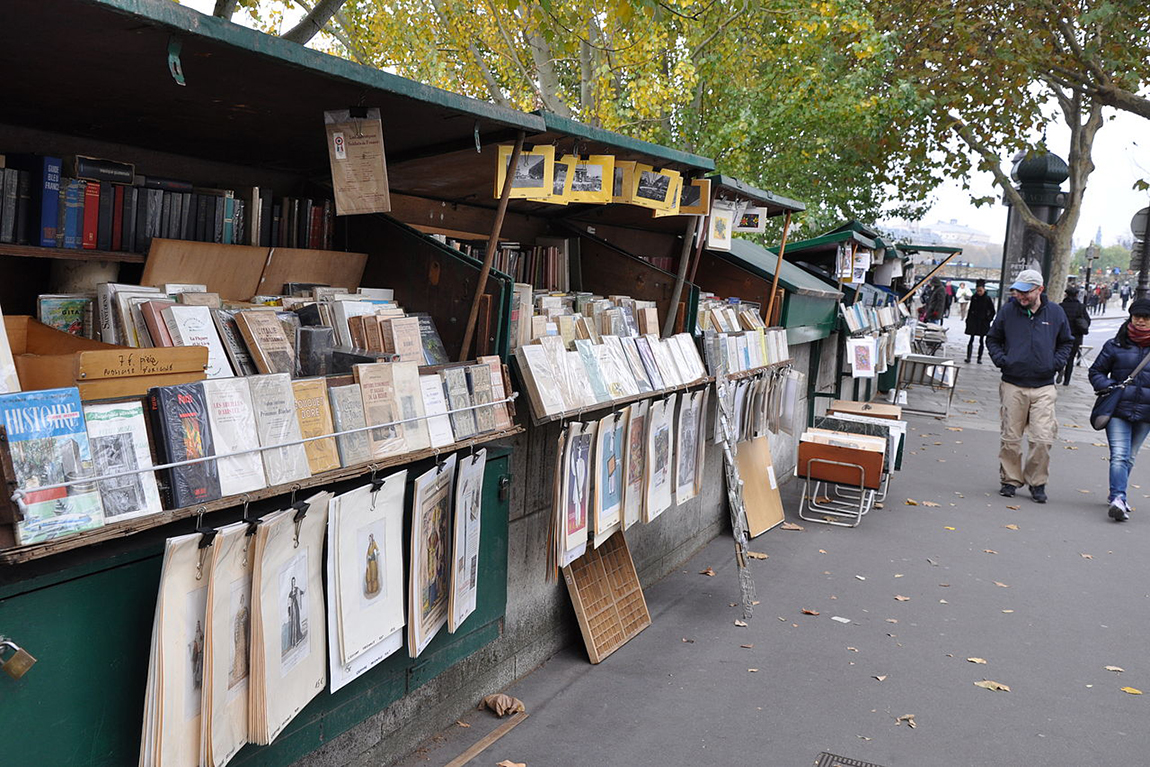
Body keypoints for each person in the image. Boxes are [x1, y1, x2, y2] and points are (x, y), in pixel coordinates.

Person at [986, 269, 1074, 503]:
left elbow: (1066, 342)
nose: (1020, 296)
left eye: (1026, 292)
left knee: (1043, 438)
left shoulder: (1055, 313)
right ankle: (1010, 479)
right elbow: (992, 338)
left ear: (1040, 290)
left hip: (1044, 385)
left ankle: (1037, 481)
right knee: (1010, 437)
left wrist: (1055, 364)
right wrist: (1002, 361)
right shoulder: (1008, 311)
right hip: (1013, 382)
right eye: (1017, 291)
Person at [1088, 298, 1150, 522]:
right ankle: (1118, 498)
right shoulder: (1115, 344)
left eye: (1146, 317)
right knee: (1120, 455)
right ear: (1131, 318)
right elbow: (1096, 372)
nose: (1141, 321)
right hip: (1118, 409)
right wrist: (1110, 387)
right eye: (1137, 317)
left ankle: (1117, 492)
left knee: (1130, 457)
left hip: (1146, 413)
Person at [1058, 287, 1090, 385]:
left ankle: (1060, 369)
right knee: (1071, 358)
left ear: (1066, 295)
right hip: (1075, 336)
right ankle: (1066, 381)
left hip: (1061, 336)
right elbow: (1087, 321)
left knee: (1060, 355)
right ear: (1076, 295)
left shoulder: (1061, 306)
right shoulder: (1081, 307)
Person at [965, 279, 996, 363]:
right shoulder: (974, 297)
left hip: (983, 322)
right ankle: (968, 357)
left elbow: (992, 311)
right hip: (974, 322)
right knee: (971, 339)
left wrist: (988, 319)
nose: (979, 292)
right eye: (977, 291)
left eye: (980, 291)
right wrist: (968, 320)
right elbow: (970, 309)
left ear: (984, 290)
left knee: (981, 341)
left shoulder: (987, 299)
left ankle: (979, 358)